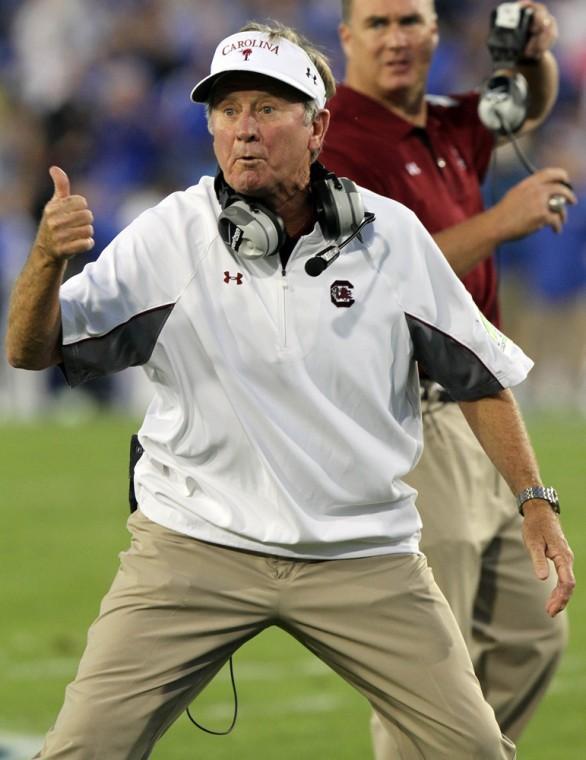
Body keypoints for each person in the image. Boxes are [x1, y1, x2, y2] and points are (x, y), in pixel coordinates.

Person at [5, 20, 575, 760]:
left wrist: (535, 502)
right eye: (227, 109)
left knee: (473, 752)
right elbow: (31, 351)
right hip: (194, 546)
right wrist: (47, 260)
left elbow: (478, 376)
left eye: (268, 109)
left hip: (364, 553)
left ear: (318, 129)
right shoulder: (168, 235)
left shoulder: (392, 238)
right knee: (81, 751)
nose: (244, 129)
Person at [319, 0, 577, 754]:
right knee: (431, 671)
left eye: (411, 21)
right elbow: (373, 282)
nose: (396, 38)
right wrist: (503, 221)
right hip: (412, 420)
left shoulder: (443, 118)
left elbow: (526, 101)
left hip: (481, 412)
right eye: (378, 23)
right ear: (347, 39)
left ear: (437, 32)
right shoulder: (336, 138)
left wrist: (531, 52)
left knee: (532, 635)